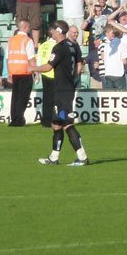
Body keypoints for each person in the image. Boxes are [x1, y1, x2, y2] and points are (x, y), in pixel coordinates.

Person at [35, 21, 90, 166]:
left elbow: (48, 67)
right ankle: (54, 158)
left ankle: (82, 157)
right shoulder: (73, 45)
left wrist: (31, 68)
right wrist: (73, 77)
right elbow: (79, 64)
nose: (51, 32)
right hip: (66, 88)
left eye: (52, 29)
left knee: (66, 123)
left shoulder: (59, 47)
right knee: (56, 124)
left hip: (62, 90)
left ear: (58, 31)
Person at [5, 20, 36, 127]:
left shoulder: (11, 40)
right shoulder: (28, 40)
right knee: (23, 97)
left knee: (15, 97)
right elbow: (31, 58)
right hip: (25, 72)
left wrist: (9, 73)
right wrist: (36, 71)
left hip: (14, 72)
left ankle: (14, 118)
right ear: (26, 28)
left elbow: (8, 58)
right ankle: (19, 119)